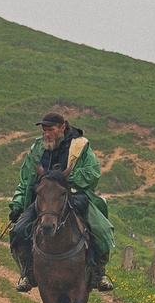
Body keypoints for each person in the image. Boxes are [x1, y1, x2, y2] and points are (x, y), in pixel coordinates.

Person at [9, 112, 113, 291]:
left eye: (50, 130)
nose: (46, 134)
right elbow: (25, 180)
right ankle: (28, 273)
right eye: (44, 130)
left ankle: (98, 273)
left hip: (73, 195)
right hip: (43, 199)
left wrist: (62, 178)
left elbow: (92, 173)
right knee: (18, 232)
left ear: (62, 127)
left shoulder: (80, 146)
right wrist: (17, 204)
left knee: (101, 230)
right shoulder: (37, 148)